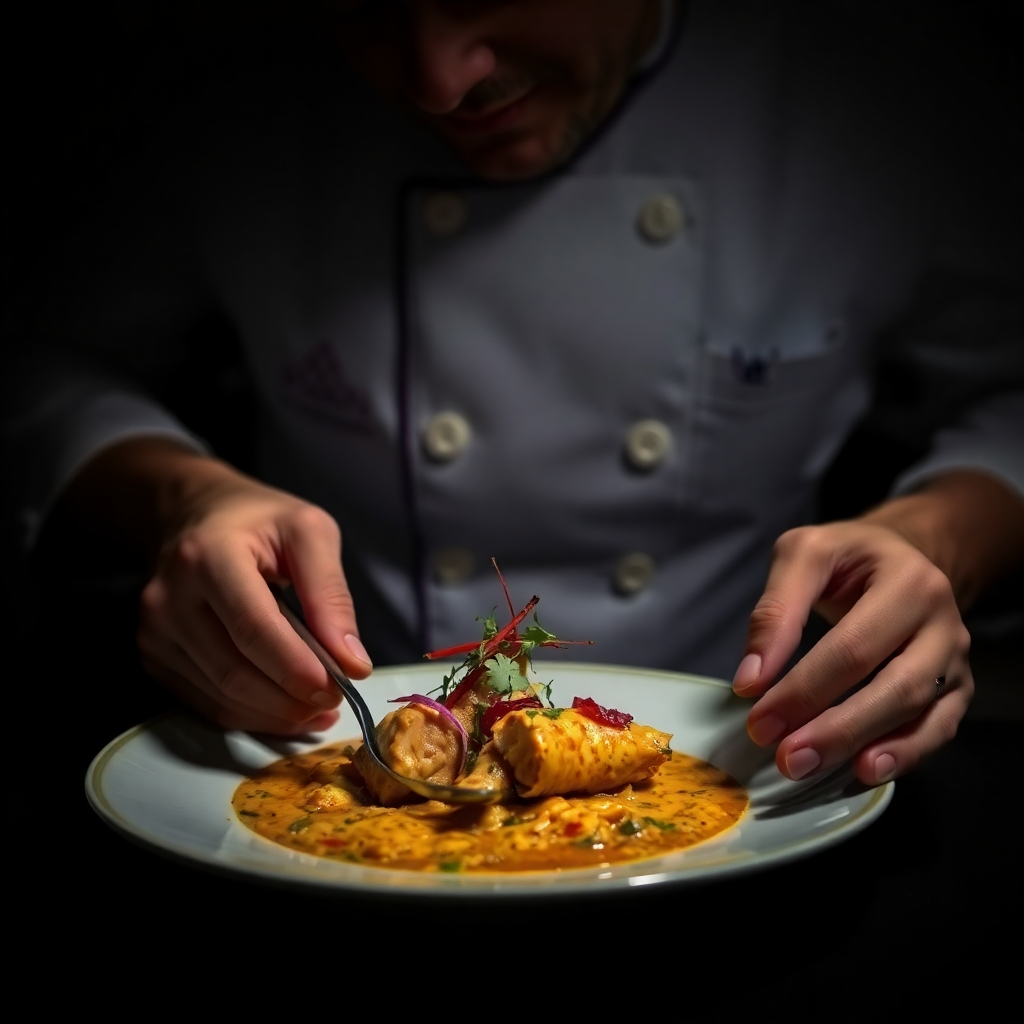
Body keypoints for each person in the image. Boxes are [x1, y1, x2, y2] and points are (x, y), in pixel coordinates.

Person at [5, 0, 1022, 788]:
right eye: (366, 6)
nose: (439, 80)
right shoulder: (216, 93)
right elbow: (38, 356)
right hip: (313, 758)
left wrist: (936, 541)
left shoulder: (893, 89)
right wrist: (182, 499)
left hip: (756, 768)